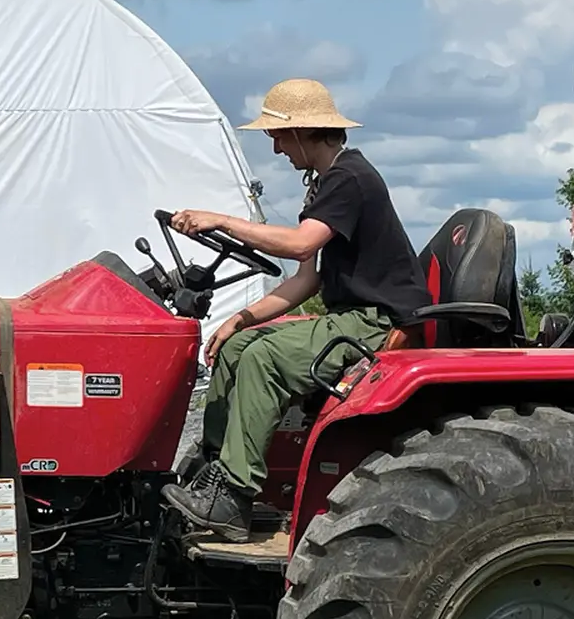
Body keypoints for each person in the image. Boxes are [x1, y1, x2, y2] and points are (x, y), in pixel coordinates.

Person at [160, 78, 424, 540]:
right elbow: (306, 278)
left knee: (265, 359)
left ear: (302, 131)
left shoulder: (349, 178)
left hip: (377, 320)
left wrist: (222, 220)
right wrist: (240, 319)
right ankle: (213, 470)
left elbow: (300, 244)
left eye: (278, 136)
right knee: (237, 347)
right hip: (350, 315)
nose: (276, 148)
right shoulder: (326, 183)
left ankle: (234, 496)